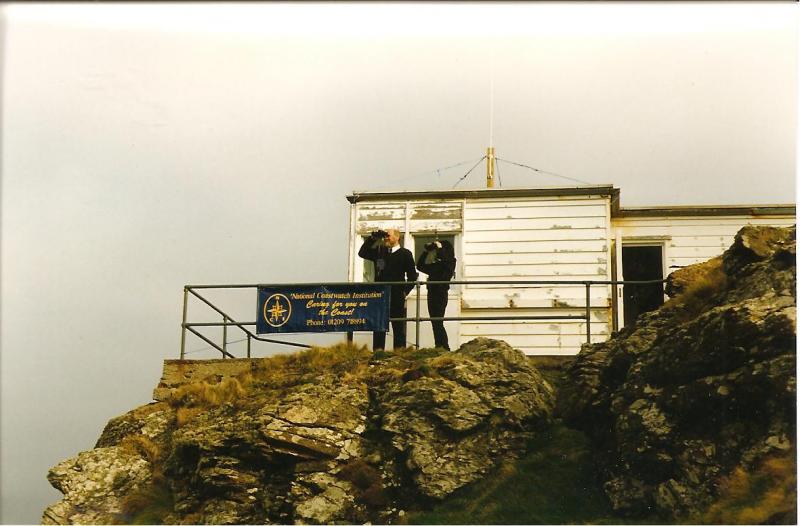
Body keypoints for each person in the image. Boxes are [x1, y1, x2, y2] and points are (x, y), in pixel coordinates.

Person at [358, 228, 418, 350]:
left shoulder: (405, 254)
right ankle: (378, 352)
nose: (386, 238)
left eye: (388, 235)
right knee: (379, 326)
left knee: (398, 326)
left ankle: (399, 353)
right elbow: (362, 253)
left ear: (397, 237)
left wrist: (404, 291)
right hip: (380, 294)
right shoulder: (380, 252)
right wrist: (372, 238)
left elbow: (412, 275)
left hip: (396, 294)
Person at [416, 239, 456, 350]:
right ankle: (439, 345)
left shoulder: (450, 262)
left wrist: (439, 247)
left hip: (441, 294)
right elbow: (420, 266)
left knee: (438, 321)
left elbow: (447, 264)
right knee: (435, 321)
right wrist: (426, 251)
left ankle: (444, 346)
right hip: (432, 293)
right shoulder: (437, 265)